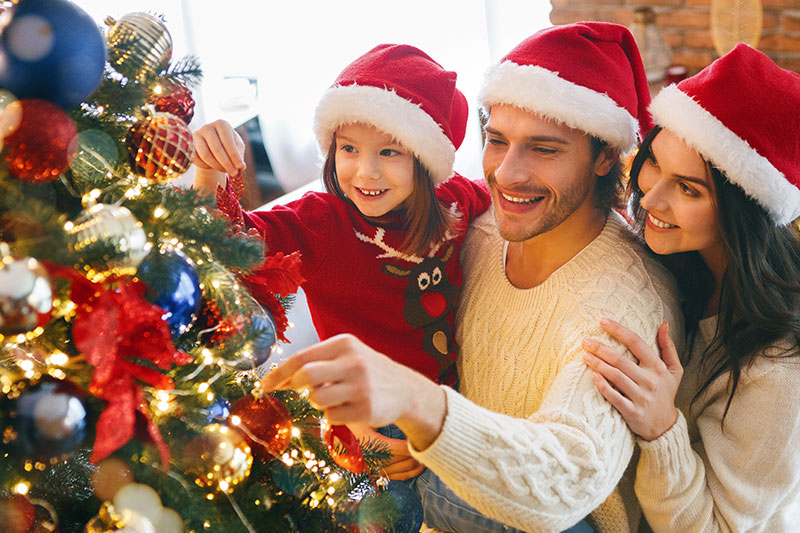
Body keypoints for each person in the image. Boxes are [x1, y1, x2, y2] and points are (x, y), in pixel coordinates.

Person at [262, 22, 684, 533]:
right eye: (497, 140)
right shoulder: (475, 228)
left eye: (544, 149)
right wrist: (353, 420)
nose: (506, 173)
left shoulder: (623, 301)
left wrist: (416, 404)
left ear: (605, 156)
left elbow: (565, 483)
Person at [192, 44, 491, 533]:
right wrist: (209, 169)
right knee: (382, 517)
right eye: (349, 149)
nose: (365, 172)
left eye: (389, 152)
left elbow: (506, 204)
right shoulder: (321, 222)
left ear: (426, 160)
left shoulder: (454, 201)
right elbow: (224, 243)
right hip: (363, 418)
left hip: (447, 410)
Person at [581, 43, 800, 532]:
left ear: (744, 212)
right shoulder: (685, 267)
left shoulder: (780, 369)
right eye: (654, 163)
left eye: (688, 188)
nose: (650, 199)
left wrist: (661, 429)